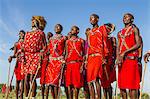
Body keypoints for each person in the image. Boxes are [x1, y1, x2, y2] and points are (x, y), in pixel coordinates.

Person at [87, 14, 114, 99]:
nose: (91, 20)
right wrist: (86, 58)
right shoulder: (89, 32)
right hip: (90, 57)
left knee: (96, 79)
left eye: (93, 18)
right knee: (89, 81)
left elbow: (104, 42)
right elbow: (88, 46)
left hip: (99, 56)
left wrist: (104, 57)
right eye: (90, 18)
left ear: (97, 19)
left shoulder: (101, 28)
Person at [116, 13, 141, 99]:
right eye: (124, 17)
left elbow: (138, 44)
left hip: (131, 59)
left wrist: (125, 52)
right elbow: (118, 47)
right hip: (122, 61)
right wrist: (117, 58)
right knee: (122, 85)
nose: (124, 18)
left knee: (132, 86)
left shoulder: (134, 29)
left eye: (127, 17)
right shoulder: (119, 33)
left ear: (132, 20)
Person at [23, 16, 47, 99]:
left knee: (32, 77)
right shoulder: (27, 33)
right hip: (27, 56)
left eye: (34, 21)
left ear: (38, 22)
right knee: (26, 78)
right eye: (32, 21)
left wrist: (41, 54)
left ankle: (33, 97)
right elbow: (24, 45)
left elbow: (44, 46)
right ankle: (26, 96)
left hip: (36, 56)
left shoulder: (41, 33)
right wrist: (21, 52)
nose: (32, 22)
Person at [45, 24, 66, 99]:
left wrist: (64, 60)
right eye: (55, 27)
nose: (56, 28)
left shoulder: (64, 38)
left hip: (59, 62)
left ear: (61, 29)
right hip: (51, 62)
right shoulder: (51, 39)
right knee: (50, 83)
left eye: (58, 27)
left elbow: (66, 50)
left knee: (56, 83)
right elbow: (48, 50)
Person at [65, 26, 85, 99]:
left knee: (77, 84)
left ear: (78, 31)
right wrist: (64, 63)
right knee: (69, 84)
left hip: (78, 64)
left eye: (74, 29)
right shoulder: (67, 41)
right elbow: (67, 54)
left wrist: (82, 65)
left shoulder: (81, 41)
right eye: (71, 29)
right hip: (69, 64)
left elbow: (84, 54)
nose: (72, 30)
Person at [8, 30, 26, 99]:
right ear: (19, 35)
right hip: (18, 63)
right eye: (20, 34)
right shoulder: (16, 43)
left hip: (24, 63)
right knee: (17, 80)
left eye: (23, 33)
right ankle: (16, 97)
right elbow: (14, 54)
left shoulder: (26, 43)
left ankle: (21, 96)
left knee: (23, 80)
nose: (21, 34)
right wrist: (11, 57)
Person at [100, 23, 116, 99]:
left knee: (108, 82)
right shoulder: (101, 37)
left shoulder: (112, 39)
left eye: (109, 29)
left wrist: (113, 62)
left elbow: (115, 51)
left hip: (109, 62)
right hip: (102, 61)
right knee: (103, 83)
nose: (107, 30)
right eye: (106, 28)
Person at [40, 32, 53, 99]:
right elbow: (40, 53)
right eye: (48, 35)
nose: (48, 36)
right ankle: (42, 97)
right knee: (42, 83)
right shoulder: (43, 45)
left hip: (50, 64)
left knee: (48, 84)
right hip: (43, 64)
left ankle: (47, 97)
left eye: (50, 35)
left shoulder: (52, 44)